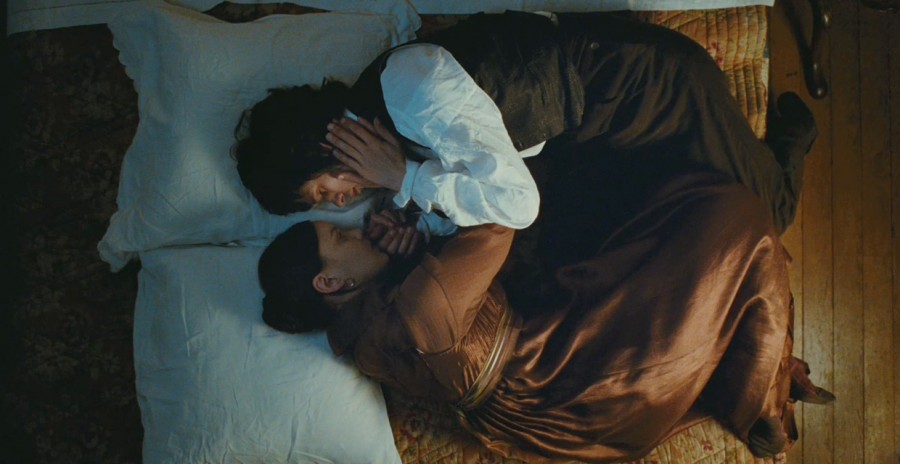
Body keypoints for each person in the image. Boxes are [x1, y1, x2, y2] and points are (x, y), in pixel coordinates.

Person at [256, 168, 832, 463]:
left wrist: (411, 251)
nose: (356, 228)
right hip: (574, 377)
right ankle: (763, 403)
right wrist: (411, 193)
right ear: (330, 282)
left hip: (540, 382)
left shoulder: (363, 336)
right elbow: (504, 206)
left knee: (659, 223)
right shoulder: (419, 311)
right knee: (730, 216)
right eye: (339, 237)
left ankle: (745, 373)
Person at [234, 11, 817, 238]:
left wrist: (407, 180)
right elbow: (469, 170)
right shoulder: (389, 131)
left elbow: (518, 203)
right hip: (587, 131)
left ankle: (795, 137)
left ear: (326, 143)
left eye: (324, 192)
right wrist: (413, 210)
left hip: (647, 87)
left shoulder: (413, 88)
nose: (341, 202)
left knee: (768, 211)